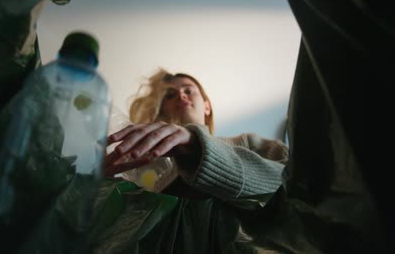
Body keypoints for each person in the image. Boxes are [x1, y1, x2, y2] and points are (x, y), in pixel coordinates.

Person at [104, 68, 288, 200]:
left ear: (207, 106)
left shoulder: (249, 143)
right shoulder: (140, 164)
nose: (181, 95)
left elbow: (297, 185)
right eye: (169, 95)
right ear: (161, 112)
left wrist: (198, 150)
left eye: (188, 90)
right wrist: (103, 186)